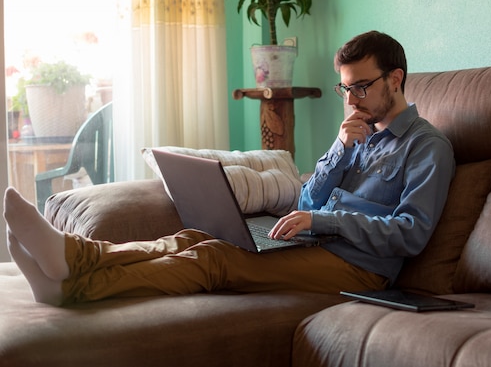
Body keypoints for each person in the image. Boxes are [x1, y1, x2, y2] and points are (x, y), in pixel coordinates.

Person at [4, 31, 455, 306]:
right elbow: (306, 200)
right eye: (344, 89)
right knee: (197, 238)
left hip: (361, 268)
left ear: (395, 79)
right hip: (315, 242)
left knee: (214, 259)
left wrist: (322, 220)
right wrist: (338, 150)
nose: (351, 99)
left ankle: (70, 290)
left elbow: (411, 233)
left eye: (360, 87)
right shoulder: (356, 132)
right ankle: (71, 260)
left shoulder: (426, 147)